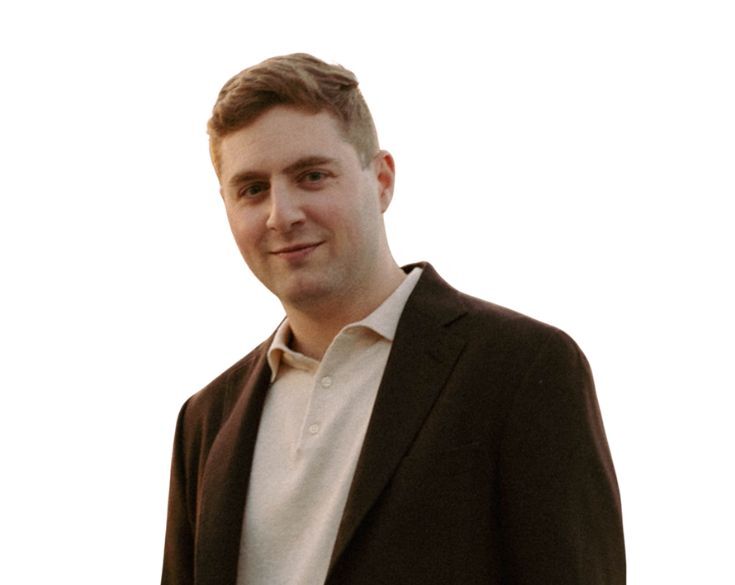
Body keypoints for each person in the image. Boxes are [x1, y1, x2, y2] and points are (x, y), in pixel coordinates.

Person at [161, 53, 625, 585]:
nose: (281, 214)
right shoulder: (205, 419)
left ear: (381, 180)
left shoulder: (521, 369)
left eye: (311, 176)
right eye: (252, 189)